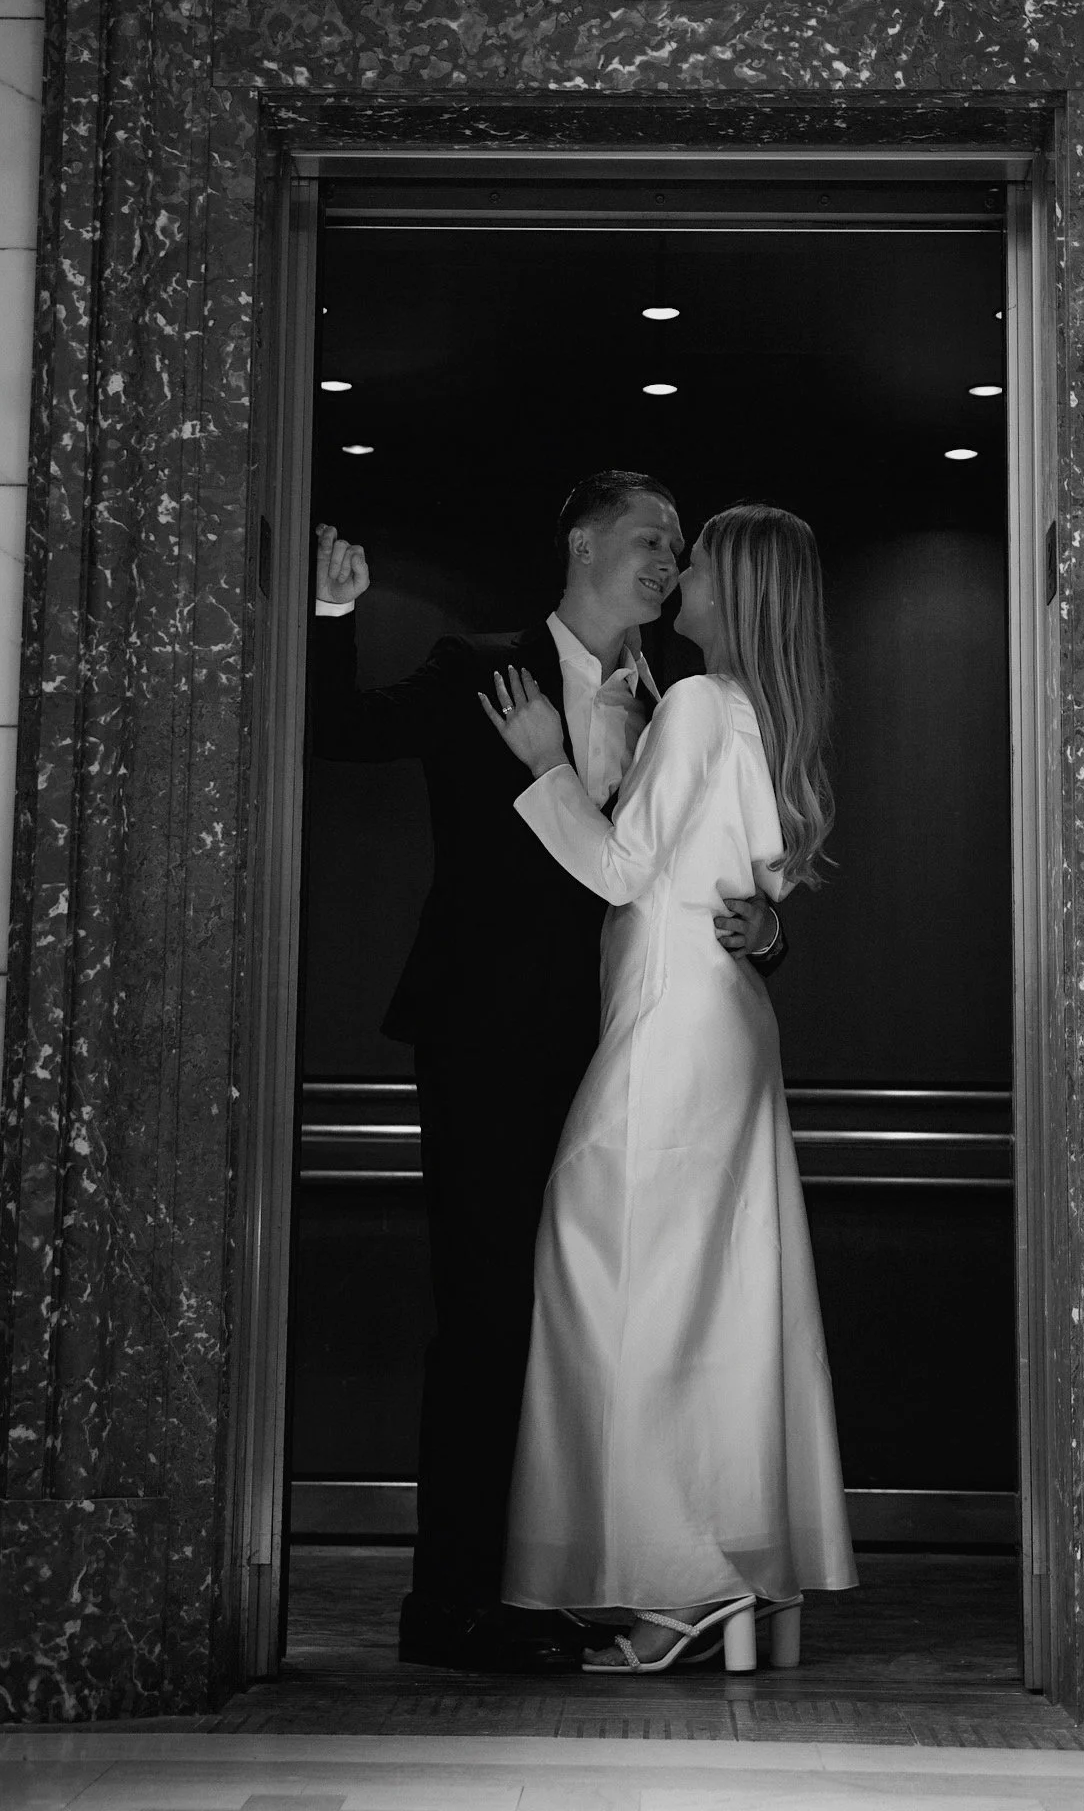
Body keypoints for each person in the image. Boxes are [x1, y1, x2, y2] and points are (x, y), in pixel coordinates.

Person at [310, 470, 787, 1674]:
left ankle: (558, 1582)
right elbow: (341, 733)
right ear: (579, 540)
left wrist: (769, 931)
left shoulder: (682, 702)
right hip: (482, 1045)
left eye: (680, 546)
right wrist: (329, 619)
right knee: (483, 1319)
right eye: (649, 537)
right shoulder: (481, 669)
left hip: (620, 1053)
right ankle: (455, 1605)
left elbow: (715, 870)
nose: (669, 560)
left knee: (589, 1329)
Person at [481, 502, 857, 1676]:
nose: (678, 573)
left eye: (697, 563)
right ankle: (745, 1580)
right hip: (730, 1023)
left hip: (669, 1027)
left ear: (732, 592)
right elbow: (764, 884)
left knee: (622, 1291)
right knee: (722, 1302)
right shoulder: (765, 712)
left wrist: (546, 759)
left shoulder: (697, 703)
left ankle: (674, 1586)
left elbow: (622, 869)